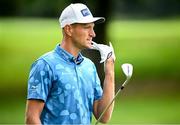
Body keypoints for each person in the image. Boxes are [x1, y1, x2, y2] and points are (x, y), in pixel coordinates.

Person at [25, 3, 116, 125]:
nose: (93, 34)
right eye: (86, 27)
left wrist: (110, 71)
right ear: (68, 29)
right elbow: (31, 118)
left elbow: (103, 116)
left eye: (92, 27)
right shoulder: (45, 65)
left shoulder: (89, 67)